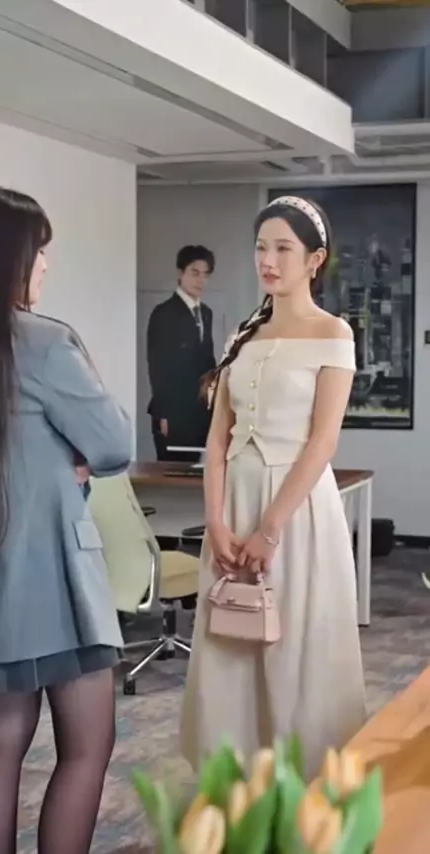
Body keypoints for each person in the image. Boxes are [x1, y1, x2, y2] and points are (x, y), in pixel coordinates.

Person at [0, 186, 132, 854]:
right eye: (40, 250)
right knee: (87, 745)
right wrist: (70, 453)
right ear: (10, 258)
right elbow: (114, 443)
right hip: (53, 578)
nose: (46, 264)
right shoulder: (45, 342)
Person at [180, 196, 366, 781]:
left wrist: (270, 528)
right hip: (234, 505)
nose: (269, 260)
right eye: (262, 247)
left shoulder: (333, 333)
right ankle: (235, 785)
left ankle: (308, 789)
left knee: (296, 651)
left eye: (284, 248)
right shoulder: (244, 334)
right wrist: (216, 521)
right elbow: (217, 440)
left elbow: (323, 443)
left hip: (296, 510)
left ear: (314, 259)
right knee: (231, 644)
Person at [147, 244, 216, 462]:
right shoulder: (164, 313)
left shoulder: (206, 313)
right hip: (173, 412)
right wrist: (163, 413)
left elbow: (207, 359)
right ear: (180, 273)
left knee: (200, 471)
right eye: (195, 273)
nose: (200, 280)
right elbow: (157, 366)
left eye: (205, 274)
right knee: (174, 471)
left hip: (201, 411)